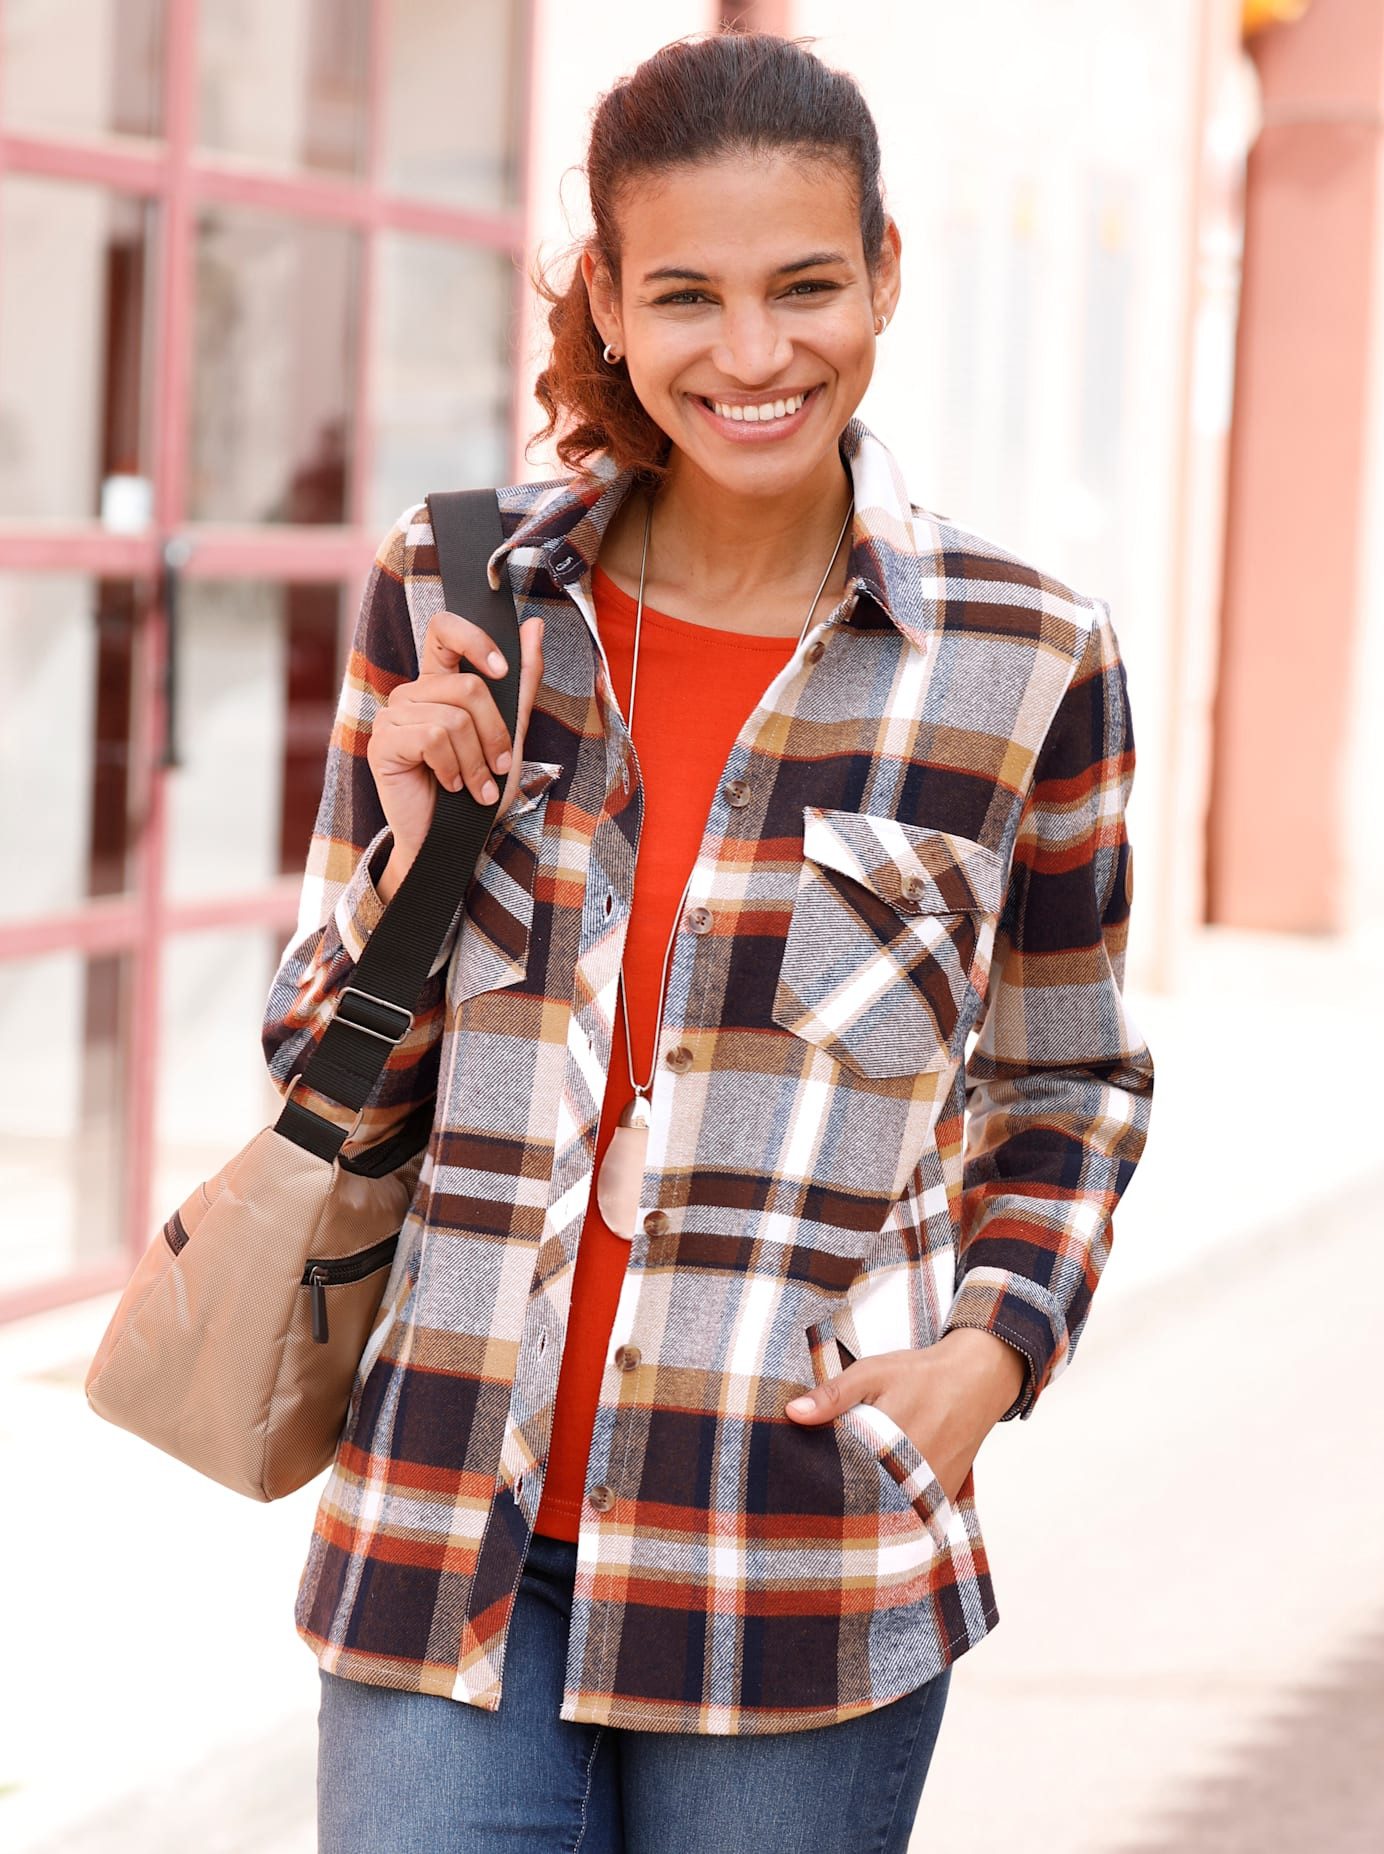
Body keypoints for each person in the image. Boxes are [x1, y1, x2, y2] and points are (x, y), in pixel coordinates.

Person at [263, 30, 1154, 1854]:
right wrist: (406, 860)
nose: (753, 357)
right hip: (449, 1542)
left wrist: (996, 1347)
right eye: (687, 295)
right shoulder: (457, 596)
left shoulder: (1026, 659)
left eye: (805, 285)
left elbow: (1069, 1070)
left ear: (885, 272)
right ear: (607, 294)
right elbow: (315, 1081)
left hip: (803, 1554)